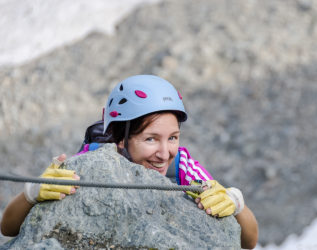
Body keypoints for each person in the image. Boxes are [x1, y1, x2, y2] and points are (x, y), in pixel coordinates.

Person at [1, 75, 258, 248]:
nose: (164, 152)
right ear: (121, 140)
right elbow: (8, 228)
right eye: (150, 139)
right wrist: (32, 193)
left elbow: (250, 241)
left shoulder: (184, 168)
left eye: (173, 137)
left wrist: (235, 202)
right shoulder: (90, 164)